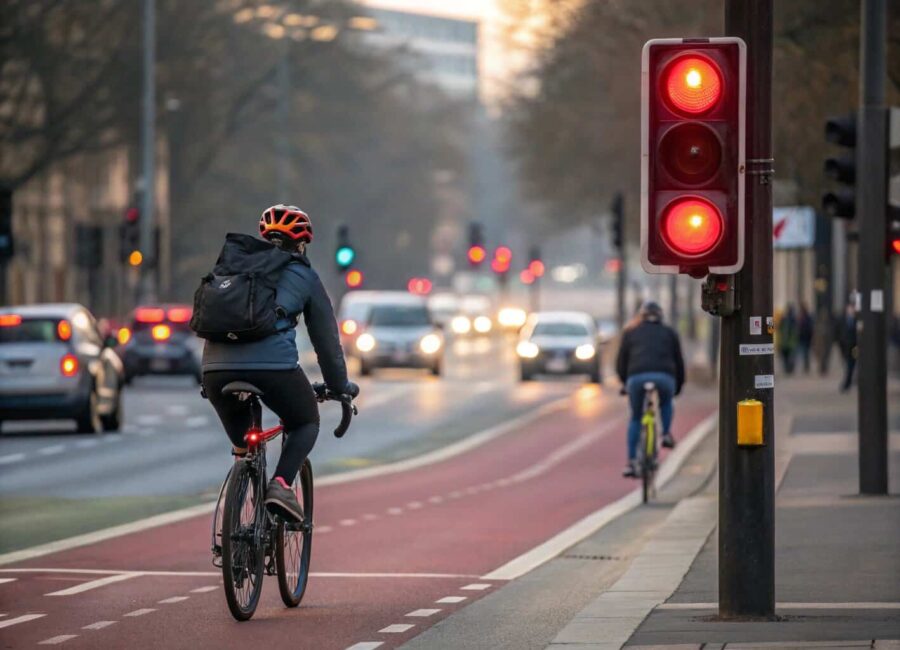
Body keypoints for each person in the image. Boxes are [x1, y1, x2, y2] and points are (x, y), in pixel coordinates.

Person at [201, 205, 357, 522]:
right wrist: (340, 388)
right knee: (305, 422)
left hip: (215, 370)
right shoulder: (304, 276)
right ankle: (282, 485)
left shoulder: (232, 268)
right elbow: (327, 343)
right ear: (301, 244)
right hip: (273, 369)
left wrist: (210, 379)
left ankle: (239, 499)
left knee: (244, 443)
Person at [615, 301, 685, 478]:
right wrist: (678, 386)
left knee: (636, 417)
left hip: (636, 377)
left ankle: (631, 462)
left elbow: (621, 361)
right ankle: (666, 434)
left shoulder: (631, 333)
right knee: (666, 402)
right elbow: (679, 362)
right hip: (665, 377)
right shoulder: (669, 333)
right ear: (661, 316)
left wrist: (625, 382)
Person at [837, 301, 858, 393]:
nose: (850, 310)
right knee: (848, 365)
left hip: (854, 347)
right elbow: (839, 332)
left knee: (851, 365)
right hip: (846, 347)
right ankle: (848, 382)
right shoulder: (843, 319)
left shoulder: (856, 319)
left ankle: (847, 383)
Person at [777, 304, 799, 375]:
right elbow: (778, 329)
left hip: (789, 342)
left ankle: (789, 369)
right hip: (786, 342)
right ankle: (787, 369)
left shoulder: (792, 319)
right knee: (786, 357)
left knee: (789, 357)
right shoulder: (784, 319)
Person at [797, 302, 814, 375]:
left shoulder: (807, 317)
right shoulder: (801, 317)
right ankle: (805, 366)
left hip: (806, 338)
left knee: (805, 353)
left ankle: (806, 366)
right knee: (803, 353)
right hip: (802, 338)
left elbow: (810, 328)